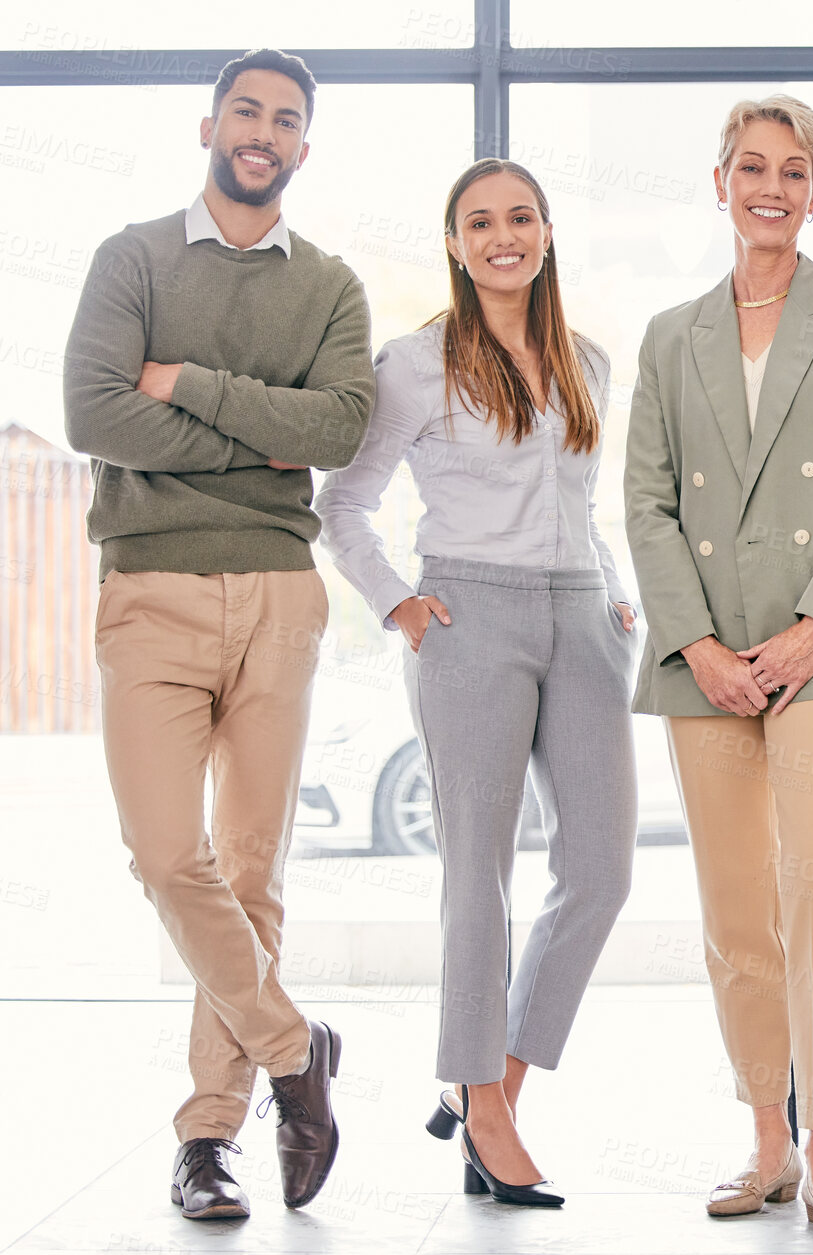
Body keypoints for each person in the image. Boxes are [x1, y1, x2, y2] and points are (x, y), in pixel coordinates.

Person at [62, 48, 373, 1219]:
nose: (264, 131)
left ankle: (209, 1138)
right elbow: (93, 411)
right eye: (247, 110)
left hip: (283, 595)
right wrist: (259, 438)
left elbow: (339, 428)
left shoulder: (332, 286)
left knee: (251, 870)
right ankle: (298, 1054)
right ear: (209, 128)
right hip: (150, 587)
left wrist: (184, 381)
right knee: (163, 853)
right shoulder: (131, 257)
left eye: (286, 119)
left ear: (304, 145)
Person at [624, 94, 813, 1241]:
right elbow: (647, 503)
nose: (772, 184)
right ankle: (766, 1140)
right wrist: (700, 643)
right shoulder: (669, 335)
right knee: (734, 904)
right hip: (705, 656)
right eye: (752, 166)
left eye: (793, 169)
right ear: (720, 184)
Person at [317, 158, 638, 1208]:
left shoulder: (584, 357)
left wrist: (618, 594)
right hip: (470, 617)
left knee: (599, 869)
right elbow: (346, 503)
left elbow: (582, 504)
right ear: (454, 244)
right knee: (479, 875)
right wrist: (399, 601)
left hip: (582, 614)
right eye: (480, 222)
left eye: (522, 218)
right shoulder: (416, 363)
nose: (504, 236)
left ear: (547, 232)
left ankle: (488, 1081)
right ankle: (487, 1109)